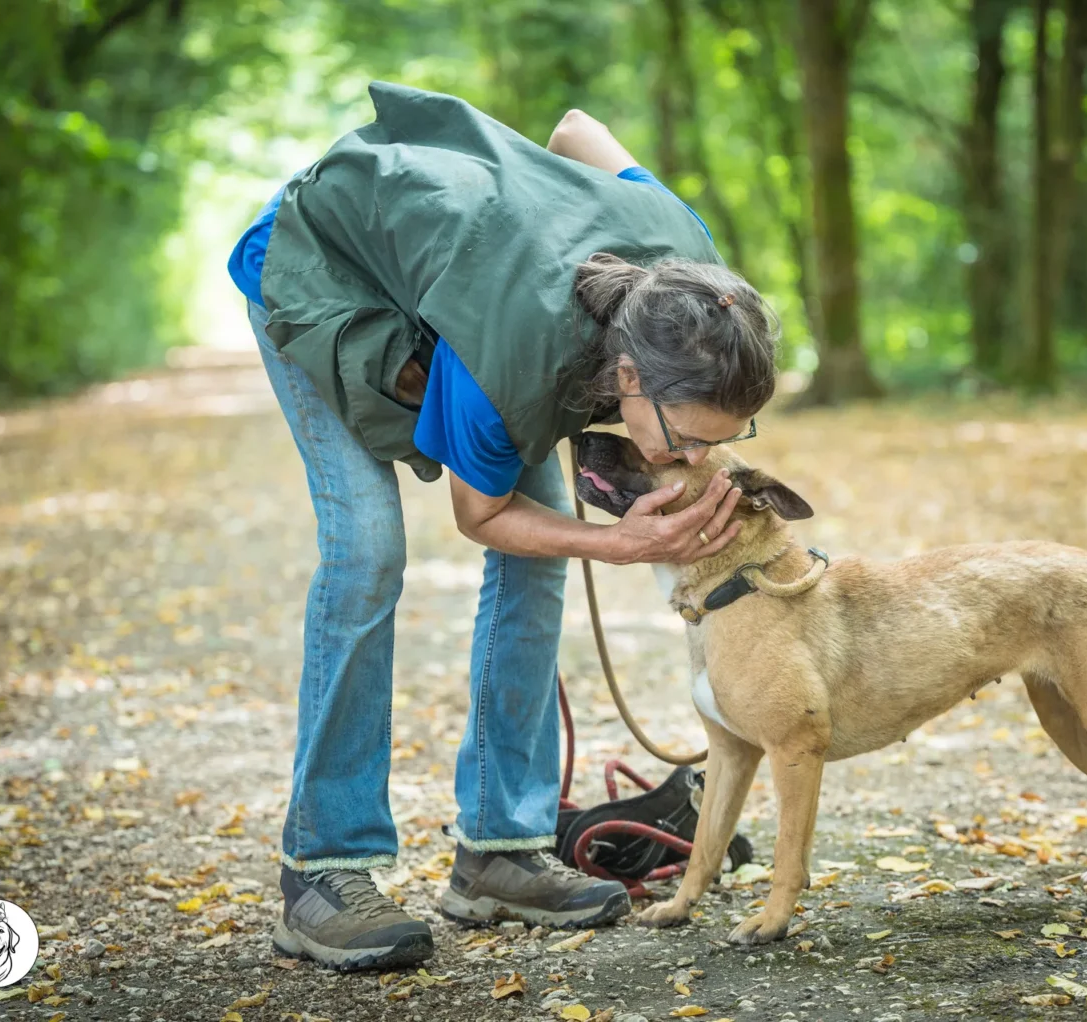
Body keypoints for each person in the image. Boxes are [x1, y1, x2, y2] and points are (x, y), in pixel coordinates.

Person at [224, 83, 779, 972]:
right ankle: (323, 868)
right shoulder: (510, 356)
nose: (698, 464)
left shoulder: (693, 274)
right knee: (368, 549)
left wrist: (536, 206)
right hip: (317, 266)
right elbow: (481, 516)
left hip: (477, 291)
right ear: (630, 377)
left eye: (725, 440)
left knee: (548, 548)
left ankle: (498, 850)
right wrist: (625, 541)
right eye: (690, 442)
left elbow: (574, 130)